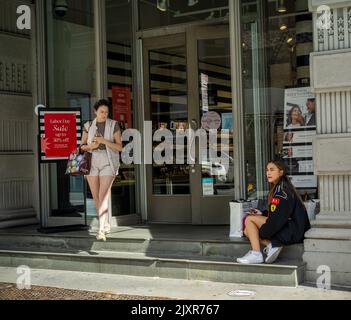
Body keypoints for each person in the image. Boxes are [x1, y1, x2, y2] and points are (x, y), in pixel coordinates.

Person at [236, 160, 311, 264]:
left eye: (272, 170)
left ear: (281, 172)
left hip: (293, 232)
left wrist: (262, 232)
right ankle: (270, 245)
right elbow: (278, 213)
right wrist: (262, 214)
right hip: (292, 230)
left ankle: (257, 253)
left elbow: (277, 220)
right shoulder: (281, 188)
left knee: (249, 220)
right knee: (247, 230)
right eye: (267, 170)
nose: (268, 173)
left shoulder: (282, 192)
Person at [80, 99, 123, 241]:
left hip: (108, 161)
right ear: (95, 111)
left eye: (106, 112)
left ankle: (100, 230)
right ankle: (106, 224)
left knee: (103, 195)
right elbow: (82, 146)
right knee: (96, 196)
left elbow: (119, 147)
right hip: (92, 161)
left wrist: (104, 141)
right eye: (101, 112)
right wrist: (90, 146)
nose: (104, 114)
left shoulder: (113, 125)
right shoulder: (88, 125)